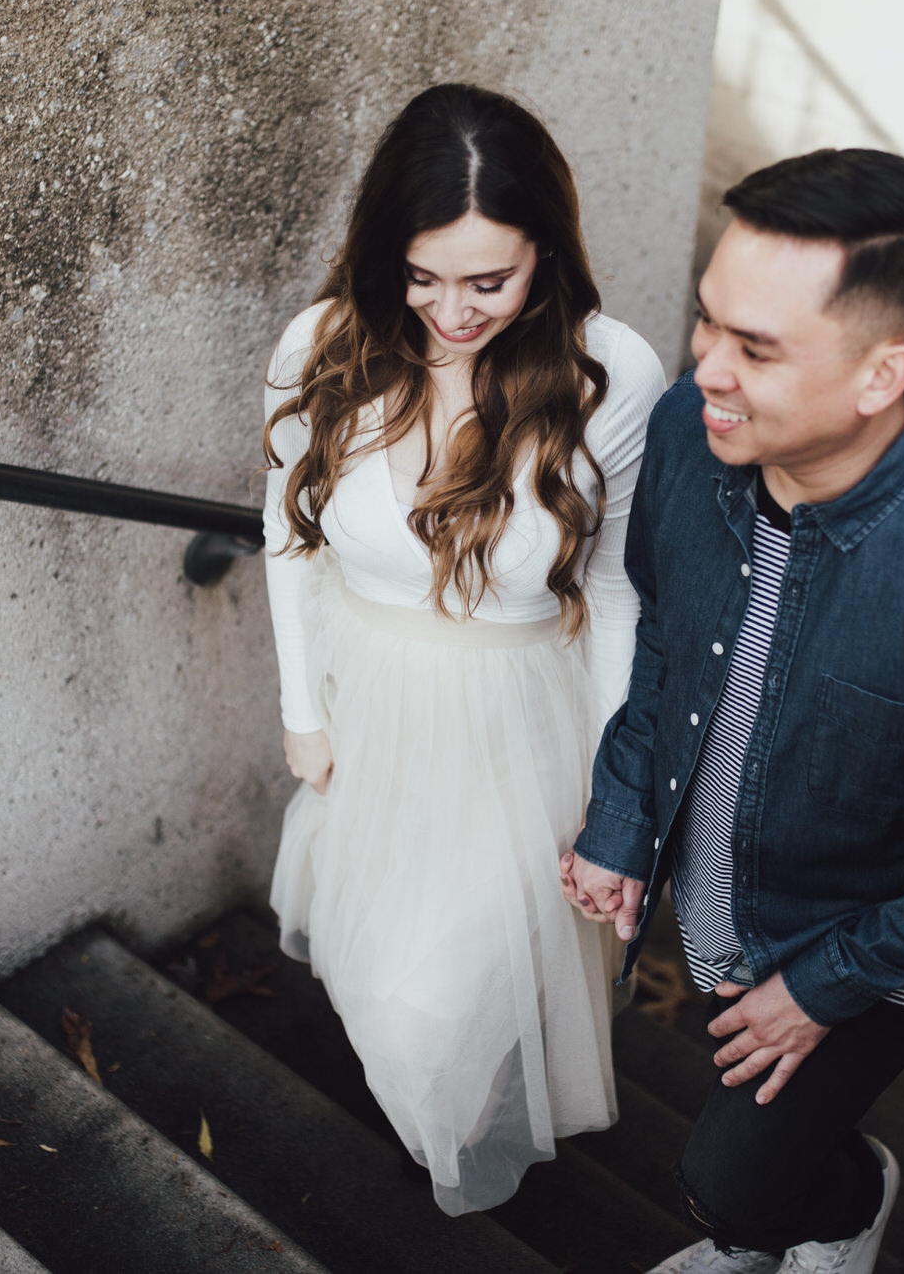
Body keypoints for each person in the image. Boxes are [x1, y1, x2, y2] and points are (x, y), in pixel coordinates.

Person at [559, 148, 904, 1273]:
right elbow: (666, 627)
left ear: (880, 373)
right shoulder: (684, 430)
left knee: (726, 1181)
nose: (703, 367)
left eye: (753, 348)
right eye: (705, 323)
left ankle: (847, 1204)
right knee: (744, 1146)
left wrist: (821, 984)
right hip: (719, 902)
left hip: (868, 946)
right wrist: (622, 813)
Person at [261, 82, 666, 1215]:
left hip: (524, 720)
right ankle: (440, 1117)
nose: (451, 310)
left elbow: (620, 590)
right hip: (373, 709)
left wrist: (613, 788)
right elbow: (286, 536)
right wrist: (303, 711)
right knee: (376, 961)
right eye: (422, 276)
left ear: (546, 251)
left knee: (439, 1001)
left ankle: (458, 1128)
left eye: (488, 280)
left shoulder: (612, 375)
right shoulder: (323, 346)